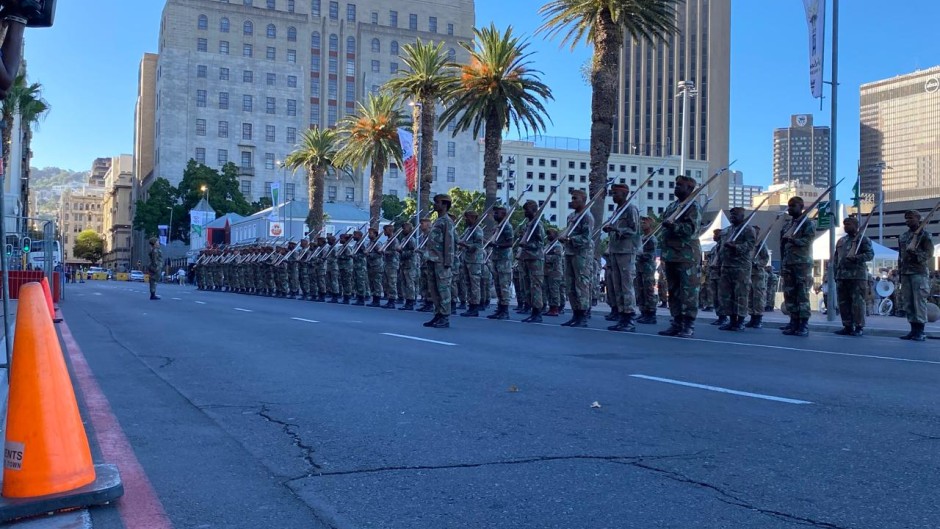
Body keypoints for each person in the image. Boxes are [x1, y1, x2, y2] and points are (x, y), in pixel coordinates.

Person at [658, 175, 702, 338]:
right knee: (674, 290)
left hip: (686, 255)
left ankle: (688, 323)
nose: (676, 187)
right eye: (676, 184)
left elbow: (692, 230)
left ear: (690, 189)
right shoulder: (672, 206)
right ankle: (676, 321)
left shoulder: (693, 207)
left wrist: (674, 226)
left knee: (688, 291)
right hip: (671, 254)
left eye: (680, 185)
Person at [603, 183, 640, 332]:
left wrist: (616, 229)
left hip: (626, 251)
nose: (613, 196)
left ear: (624, 194)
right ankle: (621, 315)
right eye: (612, 194)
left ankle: (629, 316)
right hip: (616, 251)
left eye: (616, 194)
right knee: (617, 285)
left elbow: (634, 230)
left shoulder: (630, 209)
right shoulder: (617, 210)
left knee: (626, 285)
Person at [779, 197, 816, 337]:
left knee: (801, 294)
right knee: (789, 294)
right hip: (788, 264)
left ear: (801, 207)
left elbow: (808, 240)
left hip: (802, 264)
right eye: (789, 206)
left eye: (793, 206)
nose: (790, 208)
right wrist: (783, 264)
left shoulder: (807, 223)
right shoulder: (787, 226)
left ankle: (803, 324)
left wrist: (793, 240)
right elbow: (782, 247)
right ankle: (793, 321)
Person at [559, 189, 594, 328]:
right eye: (572, 198)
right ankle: (575, 313)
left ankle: (583, 314)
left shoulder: (587, 216)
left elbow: (586, 238)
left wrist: (570, 239)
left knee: (581, 285)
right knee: (571, 285)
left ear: (583, 200)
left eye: (575, 198)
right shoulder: (571, 216)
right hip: (570, 252)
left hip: (581, 254)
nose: (572, 201)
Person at [897, 210, 934, 341]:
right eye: (906, 218)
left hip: (919, 273)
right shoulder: (903, 237)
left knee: (919, 302)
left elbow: (929, 254)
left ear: (918, 219)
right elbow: (900, 256)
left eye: (911, 218)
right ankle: (913, 330)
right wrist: (900, 272)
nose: (908, 220)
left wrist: (915, 254)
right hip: (906, 273)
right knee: (909, 303)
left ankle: (920, 331)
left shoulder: (925, 235)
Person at [833, 216, 874, 336]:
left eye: (849, 224)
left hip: (857, 276)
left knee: (858, 303)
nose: (846, 227)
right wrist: (836, 273)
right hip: (842, 276)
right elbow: (836, 258)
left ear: (856, 226)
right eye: (845, 224)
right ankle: (847, 325)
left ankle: (859, 326)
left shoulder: (863, 239)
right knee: (843, 303)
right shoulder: (841, 241)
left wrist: (856, 258)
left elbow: (870, 255)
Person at [717, 208, 756, 331]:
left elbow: (750, 245)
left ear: (742, 215)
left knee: (740, 294)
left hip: (741, 267)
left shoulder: (748, 229)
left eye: (735, 215)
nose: (732, 217)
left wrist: (736, 247)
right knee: (727, 295)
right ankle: (732, 320)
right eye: (731, 215)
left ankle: (740, 321)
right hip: (727, 265)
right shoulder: (728, 230)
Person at [423, 194, 455, 328]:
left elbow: (449, 242)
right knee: (434, 289)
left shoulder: (447, 221)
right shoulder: (438, 220)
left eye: (437, 202)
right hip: (432, 259)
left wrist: (448, 261)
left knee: (443, 289)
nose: (434, 205)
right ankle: (437, 314)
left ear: (444, 204)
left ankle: (445, 316)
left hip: (441, 261)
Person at [518, 200, 546, 323]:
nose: (525, 212)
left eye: (527, 209)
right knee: (528, 286)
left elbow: (540, 243)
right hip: (526, 258)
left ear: (534, 210)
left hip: (535, 258)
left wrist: (528, 245)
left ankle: (537, 312)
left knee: (536, 286)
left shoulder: (537, 225)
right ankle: (531, 309)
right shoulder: (527, 225)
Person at [486, 205, 514, 320]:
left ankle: (505, 309)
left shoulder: (506, 226)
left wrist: (496, 245)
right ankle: (500, 307)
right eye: (495, 213)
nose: (495, 215)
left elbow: (510, 243)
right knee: (497, 285)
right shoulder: (498, 226)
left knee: (503, 285)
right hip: (496, 258)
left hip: (504, 259)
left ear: (503, 214)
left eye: (497, 213)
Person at [458, 211, 484, 317]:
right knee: (468, 283)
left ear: (473, 218)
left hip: (474, 260)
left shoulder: (477, 230)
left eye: (467, 218)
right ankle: (470, 305)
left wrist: (465, 245)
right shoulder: (468, 230)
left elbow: (477, 246)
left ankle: (475, 306)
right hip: (466, 259)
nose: (466, 220)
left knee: (474, 285)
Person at [635, 217, 658, 324]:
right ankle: (643, 311)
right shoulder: (642, 238)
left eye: (645, 222)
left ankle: (651, 313)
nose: (642, 224)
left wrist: (639, 255)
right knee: (640, 290)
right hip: (639, 267)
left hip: (647, 267)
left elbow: (650, 255)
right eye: (641, 222)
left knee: (648, 290)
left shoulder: (651, 239)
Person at [746, 226, 770, 328]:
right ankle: (752, 317)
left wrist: (757, 263)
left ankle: (758, 318)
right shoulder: (748, 244)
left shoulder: (760, 244)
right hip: (748, 273)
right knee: (750, 296)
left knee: (758, 296)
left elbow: (765, 258)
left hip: (757, 274)